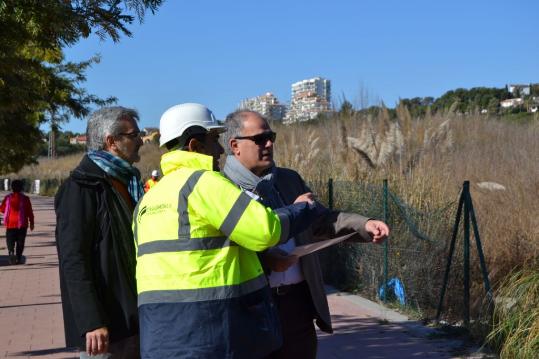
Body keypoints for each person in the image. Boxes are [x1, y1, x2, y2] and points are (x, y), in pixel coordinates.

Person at [134, 102, 325, 359]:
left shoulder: (149, 200)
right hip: (210, 334)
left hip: (161, 339)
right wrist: (302, 208)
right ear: (194, 145)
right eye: (214, 139)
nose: (221, 150)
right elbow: (264, 230)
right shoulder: (203, 183)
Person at [223, 110, 390, 359]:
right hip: (251, 307)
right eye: (260, 139)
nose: (269, 144)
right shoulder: (220, 187)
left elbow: (321, 219)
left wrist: (364, 225)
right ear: (235, 146)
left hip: (297, 305)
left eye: (271, 136)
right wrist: (266, 260)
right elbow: (222, 248)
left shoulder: (289, 180)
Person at [55, 106, 144, 359]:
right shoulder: (81, 187)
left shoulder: (129, 181)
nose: (140, 141)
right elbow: (73, 259)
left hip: (134, 316)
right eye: (134, 135)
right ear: (111, 141)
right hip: (106, 325)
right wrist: (91, 320)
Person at [0, 179, 34, 265]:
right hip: (22, 224)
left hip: (10, 223)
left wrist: (9, 211)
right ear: (22, 188)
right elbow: (29, 212)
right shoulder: (26, 199)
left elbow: (2, 209)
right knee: (20, 242)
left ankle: (11, 252)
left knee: (10, 240)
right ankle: (18, 258)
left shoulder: (8, 198)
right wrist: (32, 222)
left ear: (12, 188)